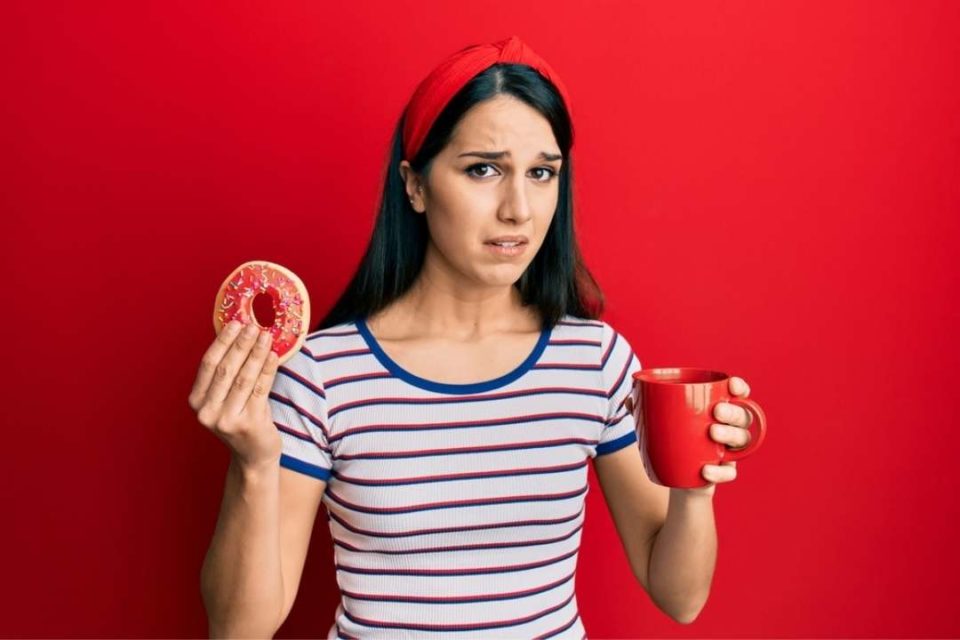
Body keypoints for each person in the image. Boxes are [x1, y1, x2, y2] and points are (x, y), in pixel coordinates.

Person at [192, 35, 754, 639]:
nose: (518, 208)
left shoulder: (596, 362)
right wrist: (252, 465)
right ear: (415, 184)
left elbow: (680, 597)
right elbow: (239, 630)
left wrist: (696, 480)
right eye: (483, 169)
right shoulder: (324, 374)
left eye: (542, 173)